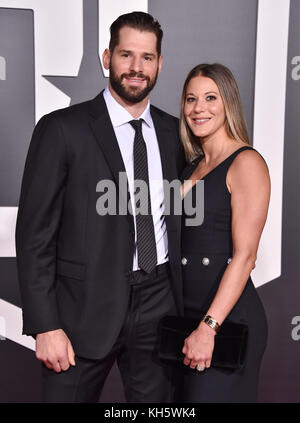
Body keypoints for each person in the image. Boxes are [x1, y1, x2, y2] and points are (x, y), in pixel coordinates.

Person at [15, 11, 185, 403]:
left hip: (160, 304)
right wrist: (45, 325)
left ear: (160, 64)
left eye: (147, 57)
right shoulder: (62, 129)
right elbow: (34, 235)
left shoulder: (175, 134)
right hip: (80, 313)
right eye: (126, 55)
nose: (136, 68)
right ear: (107, 57)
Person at [179, 63, 270, 402]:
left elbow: (245, 257)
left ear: (228, 102)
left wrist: (208, 327)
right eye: (190, 99)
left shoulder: (247, 162)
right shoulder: (190, 165)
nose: (198, 108)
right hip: (184, 320)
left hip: (224, 323)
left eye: (210, 97)